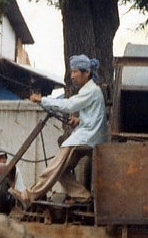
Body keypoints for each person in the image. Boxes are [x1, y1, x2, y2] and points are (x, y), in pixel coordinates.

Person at [11, 54, 108, 204]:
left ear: (87, 73)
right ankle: (83, 196)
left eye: (75, 72)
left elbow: (68, 105)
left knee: (54, 167)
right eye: (72, 72)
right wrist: (79, 120)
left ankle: (29, 195)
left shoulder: (91, 91)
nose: (72, 76)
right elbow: (95, 115)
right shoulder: (90, 91)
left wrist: (42, 99)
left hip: (86, 137)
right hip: (89, 135)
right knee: (60, 171)